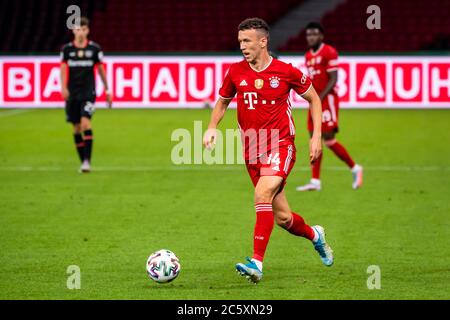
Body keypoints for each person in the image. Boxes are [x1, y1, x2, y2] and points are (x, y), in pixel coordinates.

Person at [203, 18, 333, 284]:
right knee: (284, 218)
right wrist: (211, 127)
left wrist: (316, 136)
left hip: (281, 145)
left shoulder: (286, 71)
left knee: (261, 193)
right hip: (252, 152)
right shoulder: (235, 71)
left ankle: (256, 263)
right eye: (240, 41)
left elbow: (314, 99)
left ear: (263, 41)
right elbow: (222, 102)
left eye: (247, 41)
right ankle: (315, 235)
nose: (242, 46)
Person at [296, 22, 363, 191]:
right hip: (315, 101)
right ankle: (315, 181)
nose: (311, 37)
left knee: (329, 139)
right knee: (314, 138)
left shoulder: (329, 52)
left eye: (314, 34)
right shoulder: (308, 56)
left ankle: (355, 168)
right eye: (308, 35)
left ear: (321, 36)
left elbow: (333, 79)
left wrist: (319, 98)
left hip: (327, 100)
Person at [60, 16, 112, 173]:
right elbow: (63, 69)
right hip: (73, 94)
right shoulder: (67, 50)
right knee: (76, 128)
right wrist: (63, 87)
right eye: (77, 29)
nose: (80, 32)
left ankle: (87, 162)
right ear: (73, 31)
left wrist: (107, 89)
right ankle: (83, 161)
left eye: (83, 29)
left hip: (88, 93)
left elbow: (101, 70)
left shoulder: (94, 49)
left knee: (85, 124)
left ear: (87, 30)